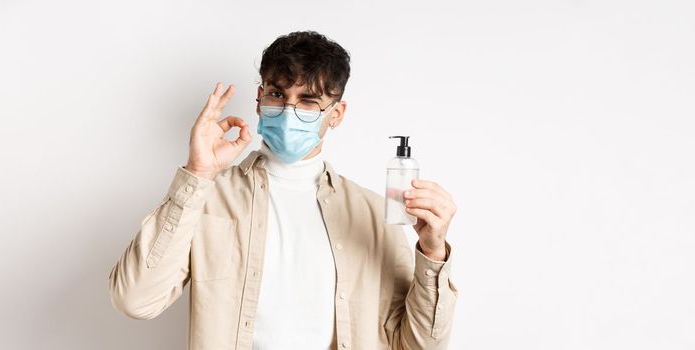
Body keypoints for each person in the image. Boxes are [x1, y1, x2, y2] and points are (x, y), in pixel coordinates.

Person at [109, 30, 459, 350]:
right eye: (278, 94)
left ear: (336, 114)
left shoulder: (372, 214)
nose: (289, 111)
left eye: (308, 101)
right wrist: (197, 173)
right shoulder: (208, 197)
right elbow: (135, 300)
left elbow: (417, 346)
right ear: (260, 99)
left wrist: (432, 251)